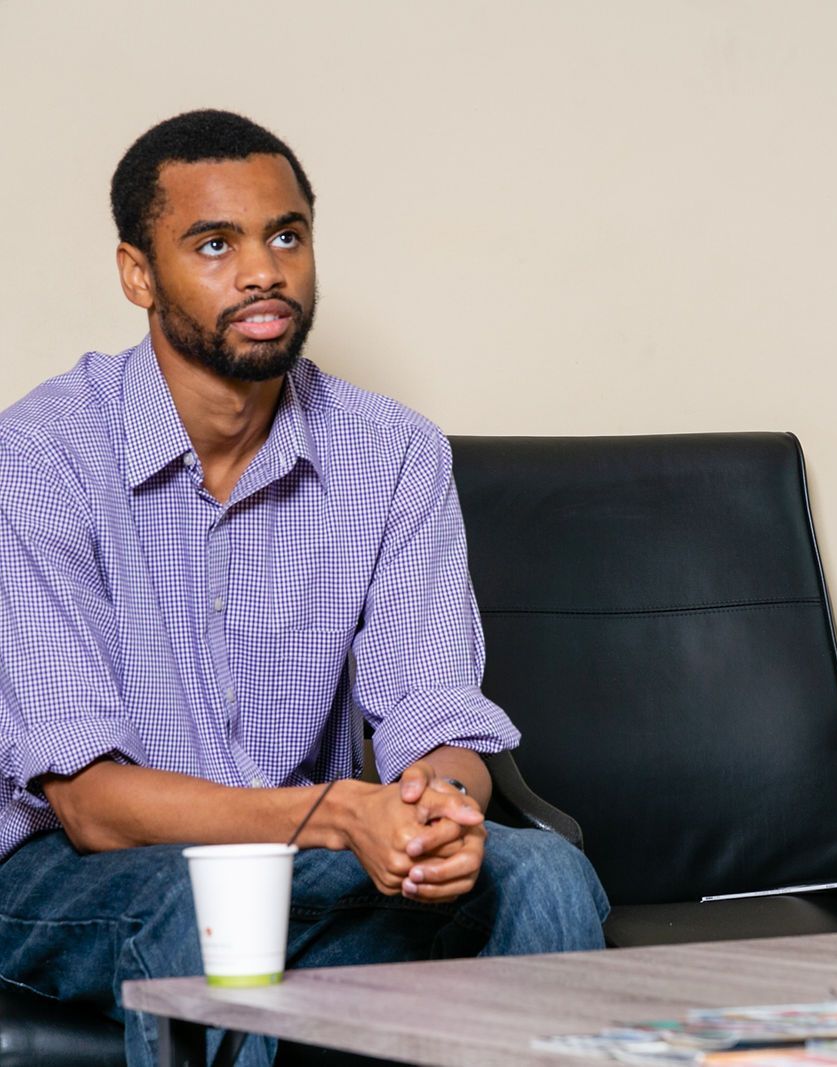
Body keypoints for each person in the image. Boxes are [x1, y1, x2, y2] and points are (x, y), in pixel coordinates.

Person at [0, 110, 609, 1065]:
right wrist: (337, 814)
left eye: (287, 234)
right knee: (216, 912)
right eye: (214, 243)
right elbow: (91, 804)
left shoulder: (394, 453)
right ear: (137, 273)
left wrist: (438, 808)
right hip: (73, 877)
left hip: (312, 863)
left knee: (541, 874)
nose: (264, 271)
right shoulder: (38, 458)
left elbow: (433, 705)